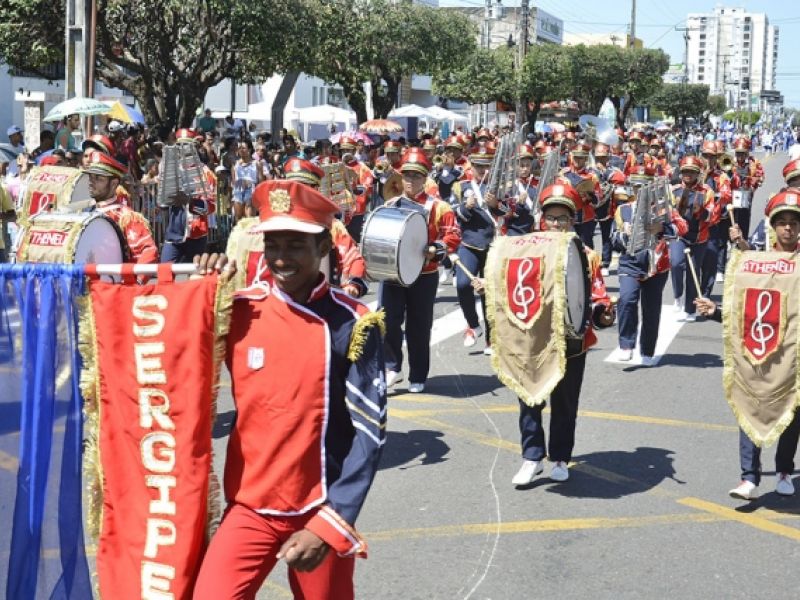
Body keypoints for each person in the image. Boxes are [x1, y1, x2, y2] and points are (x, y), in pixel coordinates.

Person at [192, 179, 386, 600]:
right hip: (249, 506)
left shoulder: (353, 323)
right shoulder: (238, 309)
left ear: (323, 247)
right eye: (273, 245)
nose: (281, 258)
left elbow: (369, 434)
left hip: (319, 508)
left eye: (296, 245)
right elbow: (179, 357)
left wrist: (331, 523)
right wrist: (201, 286)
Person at [696, 189, 800, 500]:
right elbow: (745, 311)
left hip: (794, 354)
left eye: (794, 223)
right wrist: (715, 311)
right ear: (773, 226)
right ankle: (749, 477)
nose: (788, 228)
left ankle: (784, 470)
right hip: (760, 351)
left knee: (792, 413)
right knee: (749, 403)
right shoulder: (754, 263)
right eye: (782, 222)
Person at [511, 183, 614, 485]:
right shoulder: (526, 250)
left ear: (572, 221)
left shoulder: (587, 255)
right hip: (534, 338)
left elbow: (596, 296)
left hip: (572, 341)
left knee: (565, 403)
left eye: (562, 218)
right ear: (542, 220)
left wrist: (603, 313)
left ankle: (559, 457)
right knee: (529, 398)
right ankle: (531, 457)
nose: (556, 224)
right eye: (551, 218)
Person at [380, 148, 461, 392]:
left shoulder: (440, 207)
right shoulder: (391, 204)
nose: (410, 180)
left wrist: (436, 248)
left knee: (419, 326)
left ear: (425, 178)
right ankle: (392, 367)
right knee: (388, 321)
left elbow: (453, 235)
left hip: (424, 275)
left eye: (416, 176)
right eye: (407, 175)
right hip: (394, 274)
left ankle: (418, 374)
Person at [611, 165, 688, 363]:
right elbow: (613, 238)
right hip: (630, 264)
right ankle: (626, 344)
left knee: (651, 309)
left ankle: (647, 350)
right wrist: (624, 235)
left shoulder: (664, 208)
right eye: (636, 187)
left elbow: (682, 227)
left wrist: (662, 228)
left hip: (657, 266)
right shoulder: (623, 210)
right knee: (627, 300)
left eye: (644, 187)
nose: (640, 191)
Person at [454, 142, 496, 351]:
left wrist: (496, 205)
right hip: (469, 243)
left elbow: (510, 215)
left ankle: (491, 338)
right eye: (478, 165)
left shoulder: (499, 186)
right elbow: (454, 214)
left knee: (489, 292)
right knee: (463, 285)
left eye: (486, 165)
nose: (482, 169)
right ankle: (472, 324)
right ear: (471, 166)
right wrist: (465, 207)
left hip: (492, 245)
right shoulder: (461, 186)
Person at [84, 151, 158, 264]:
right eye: (90, 177)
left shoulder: (126, 218)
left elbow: (148, 251)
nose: (91, 182)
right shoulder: (84, 212)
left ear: (114, 183)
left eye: (98, 178)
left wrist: (130, 275)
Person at [668, 156, 716, 321]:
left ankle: (690, 309)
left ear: (698, 173)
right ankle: (677, 296)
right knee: (675, 263)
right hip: (679, 236)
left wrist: (702, 212)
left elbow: (712, 216)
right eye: (685, 171)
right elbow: (665, 212)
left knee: (693, 271)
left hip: (699, 238)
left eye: (692, 172)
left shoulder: (707, 191)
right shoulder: (673, 190)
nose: (688, 174)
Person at [160, 129, 217, 263]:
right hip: (174, 232)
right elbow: (163, 202)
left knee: (195, 273)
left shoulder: (206, 173)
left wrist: (189, 202)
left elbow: (211, 206)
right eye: (179, 145)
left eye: (186, 145)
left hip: (197, 234)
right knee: (165, 270)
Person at [232, 139, 266, 222]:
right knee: (238, 217)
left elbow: (261, 181)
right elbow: (233, 181)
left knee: (249, 217)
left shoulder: (257, 163)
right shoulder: (235, 164)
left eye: (243, 148)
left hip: (251, 190)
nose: (241, 150)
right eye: (239, 148)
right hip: (238, 190)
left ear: (249, 150)